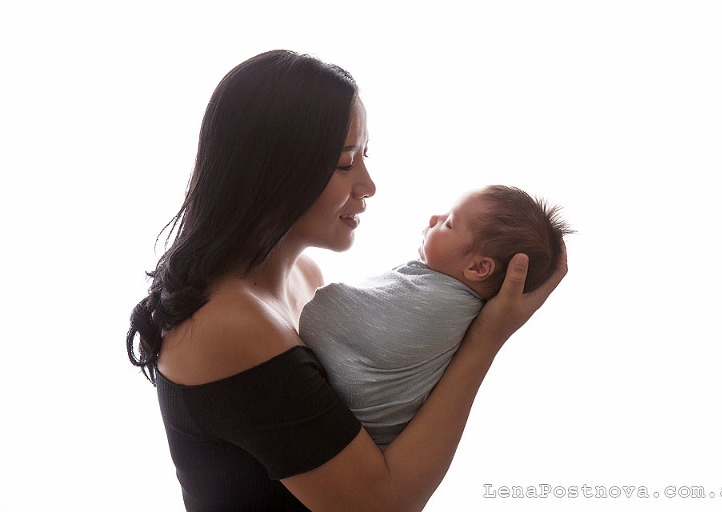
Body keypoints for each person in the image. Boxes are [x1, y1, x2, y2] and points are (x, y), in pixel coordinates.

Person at [126, 50, 567, 511]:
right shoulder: (227, 323)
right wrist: (486, 339)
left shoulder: (302, 279)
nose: (368, 184)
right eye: (345, 163)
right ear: (275, 173)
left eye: (365, 155)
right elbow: (381, 505)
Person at [301, 185, 572, 448]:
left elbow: (322, 314)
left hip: (350, 430)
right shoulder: (453, 297)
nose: (434, 218)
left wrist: (304, 298)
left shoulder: (440, 305)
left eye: (449, 223)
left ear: (478, 267)